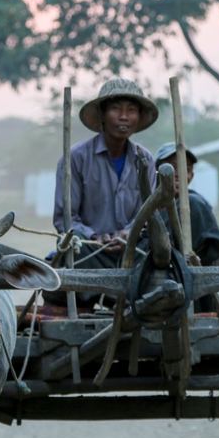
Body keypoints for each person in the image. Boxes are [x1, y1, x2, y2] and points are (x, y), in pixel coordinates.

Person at [46, 78, 158, 306]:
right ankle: (110, 295)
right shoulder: (76, 158)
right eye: (116, 109)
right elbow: (66, 219)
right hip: (90, 251)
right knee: (73, 244)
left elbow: (148, 215)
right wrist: (95, 238)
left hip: (133, 251)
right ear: (103, 116)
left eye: (131, 110)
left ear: (138, 118)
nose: (124, 116)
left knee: (160, 248)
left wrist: (128, 234)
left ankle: (135, 296)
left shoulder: (145, 160)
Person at [152, 142, 219, 268]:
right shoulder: (144, 203)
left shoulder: (195, 203)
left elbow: (212, 247)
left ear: (191, 176)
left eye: (185, 169)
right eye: (171, 167)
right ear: (157, 172)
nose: (177, 174)